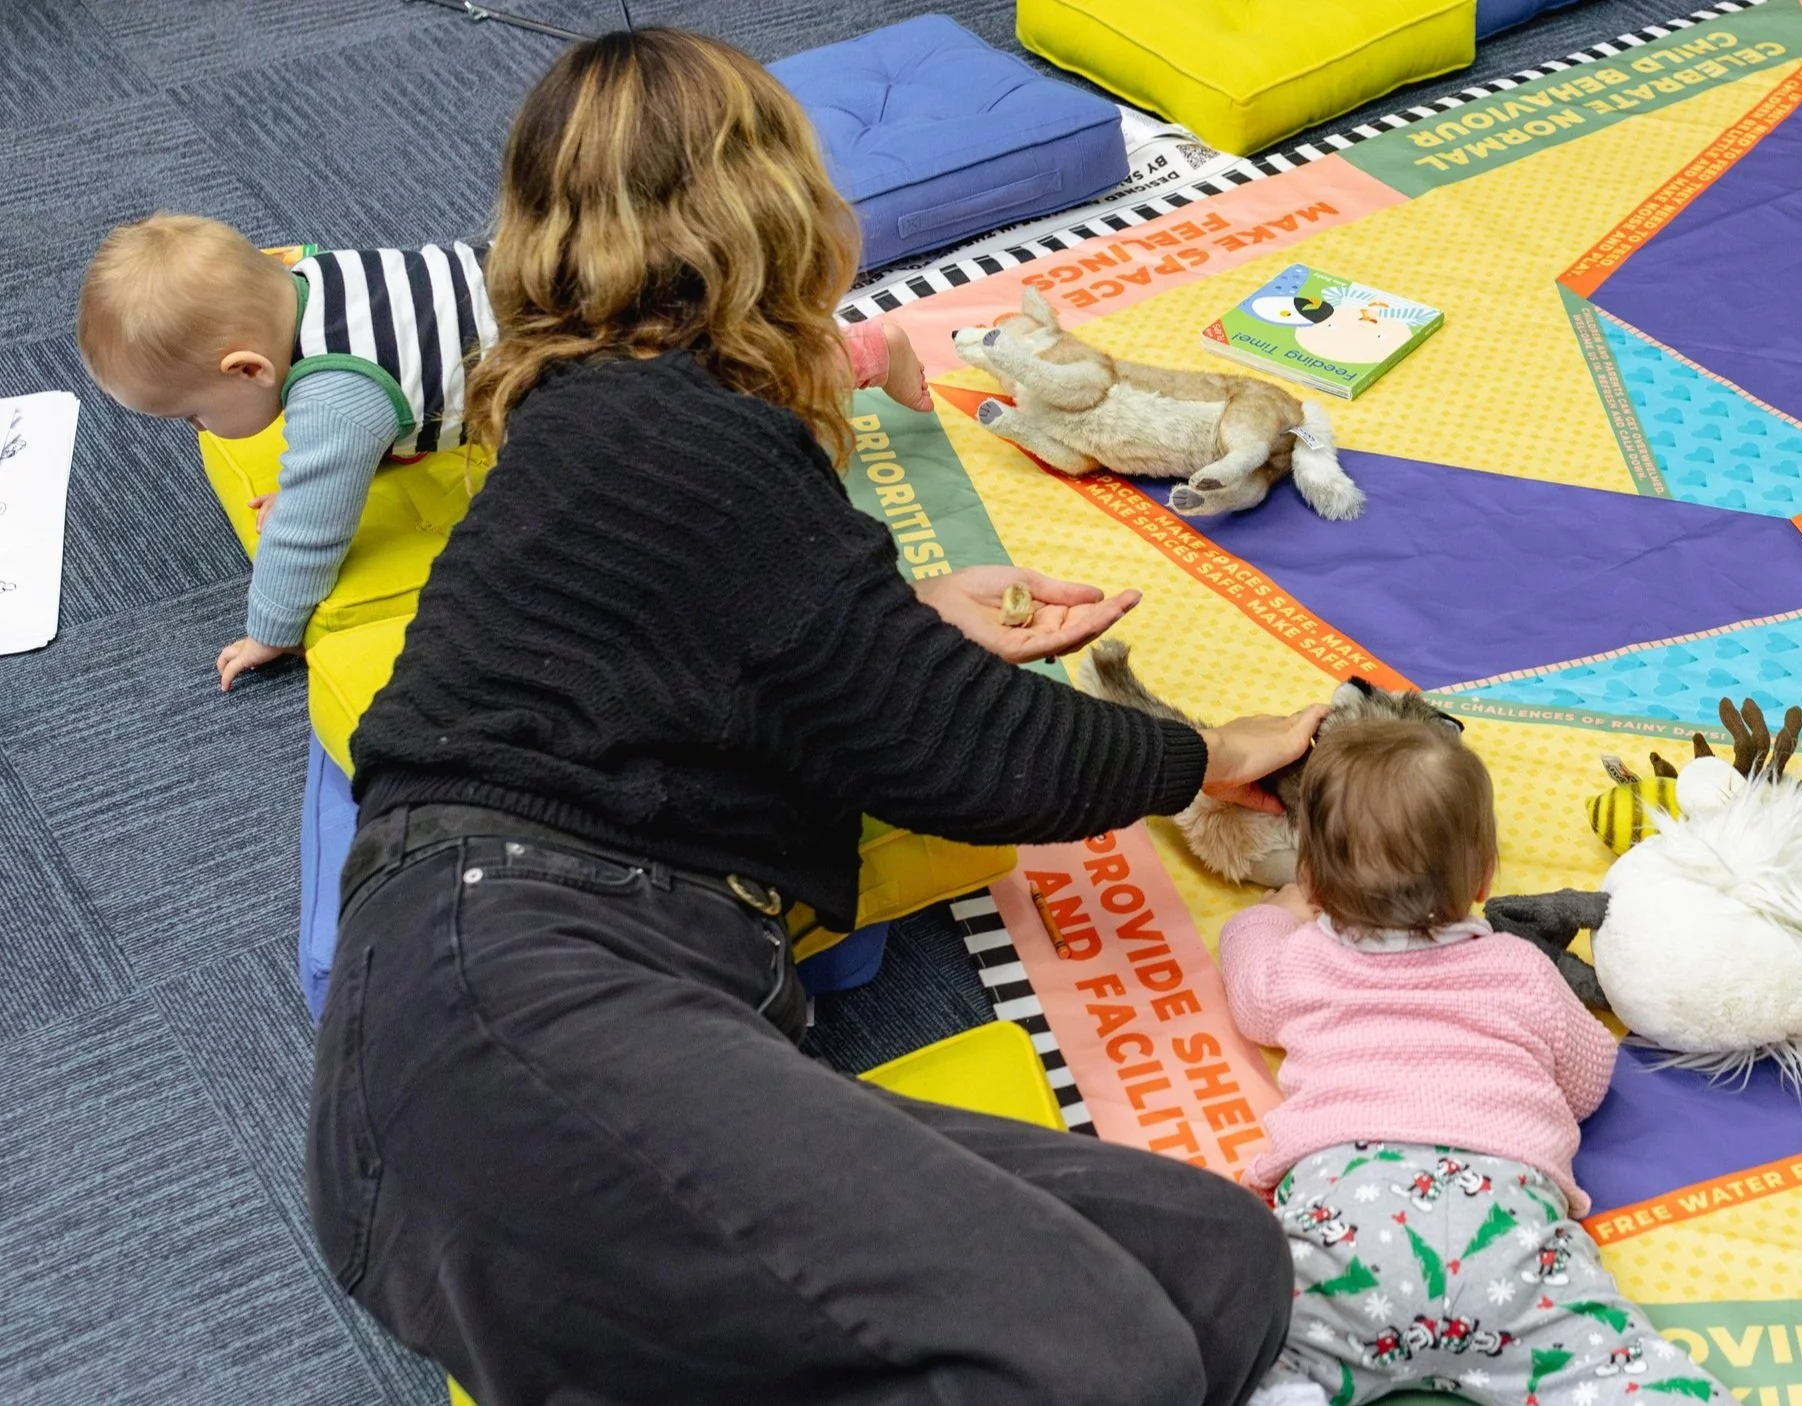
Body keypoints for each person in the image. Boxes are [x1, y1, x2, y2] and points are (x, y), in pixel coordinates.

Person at [304, 28, 1311, 1406]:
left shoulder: (608, 424)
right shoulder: (688, 436)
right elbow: (976, 753)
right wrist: (1207, 755)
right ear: (775, 215)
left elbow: (761, 661)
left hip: (554, 1007)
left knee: (1223, 1261)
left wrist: (901, 622)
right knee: (1104, 1356)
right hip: (505, 1002)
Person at [73, 213, 931, 691]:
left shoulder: (333, 398)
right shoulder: (304, 271)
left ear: (249, 368)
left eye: (193, 415)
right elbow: (401, 366)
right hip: (545, 287)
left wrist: (272, 628)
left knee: (726, 393)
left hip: (579, 357)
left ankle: (859, 354)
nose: (199, 433)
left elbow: (307, 528)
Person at [1217, 719, 1728, 1406]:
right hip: (1505, 1231)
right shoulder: (1518, 968)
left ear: (1310, 878)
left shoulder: (1305, 961)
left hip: (1343, 1226)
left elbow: (1249, 988)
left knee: (1249, 1361)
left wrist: (1270, 917)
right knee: (1616, 1370)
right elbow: (1587, 1079)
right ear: (1486, 875)